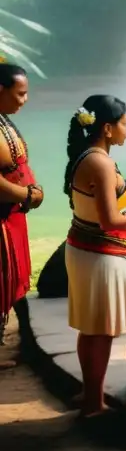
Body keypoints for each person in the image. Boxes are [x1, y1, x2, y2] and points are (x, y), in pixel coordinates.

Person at [64, 95, 126, 418]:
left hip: (83, 249)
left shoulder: (87, 155)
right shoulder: (100, 163)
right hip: (99, 254)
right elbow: (111, 220)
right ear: (107, 128)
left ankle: (87, 393)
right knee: (100, 331)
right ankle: (94, 404)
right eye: (125, 123)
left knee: (90, 328)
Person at [0, 64, 43, 352]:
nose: (24, 100)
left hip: (12, 216)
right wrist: (25, 194)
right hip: (3, 218)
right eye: (20, 94)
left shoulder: (3, 120)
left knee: (8, 283)